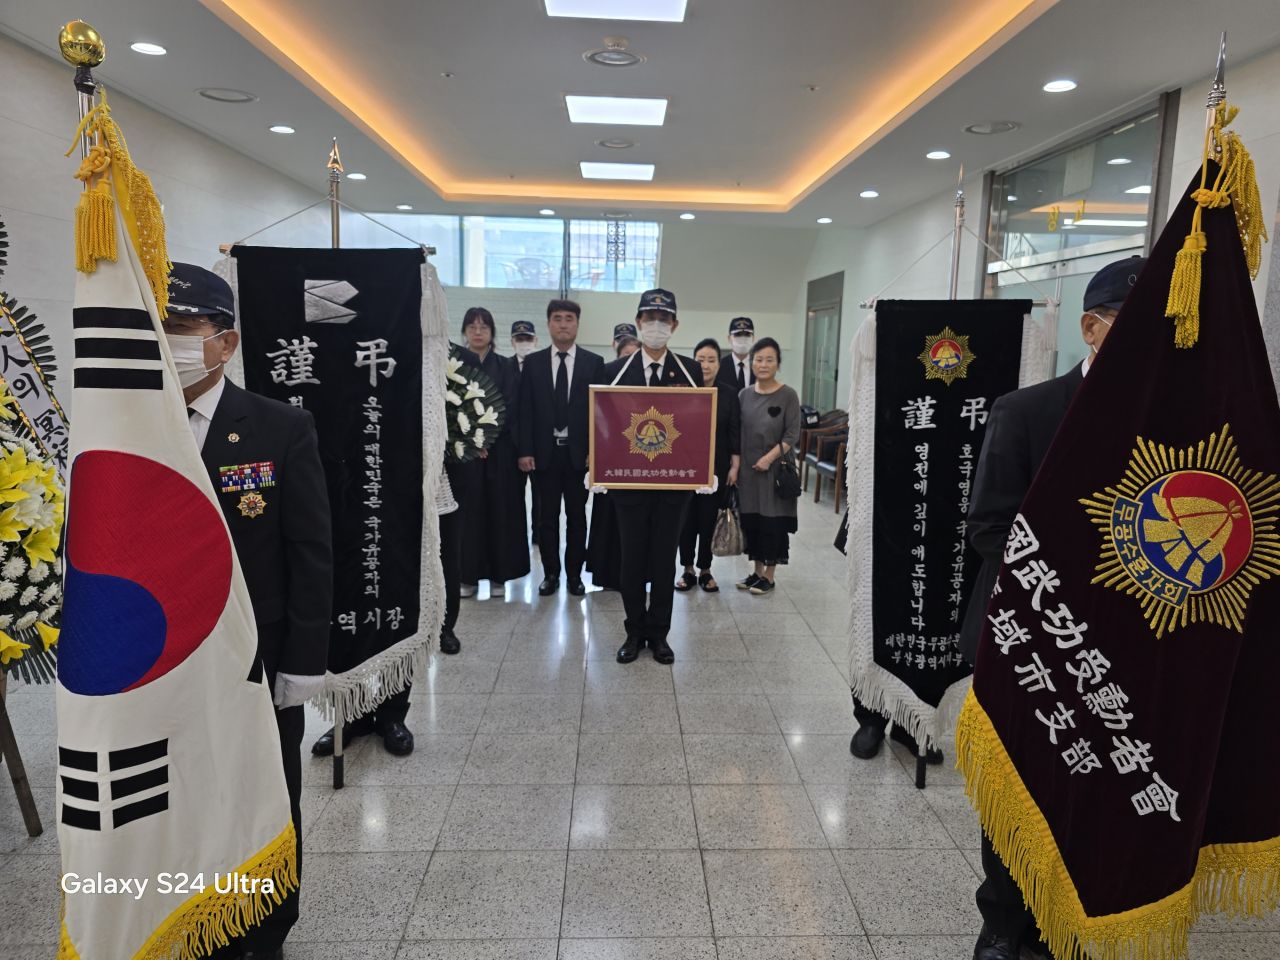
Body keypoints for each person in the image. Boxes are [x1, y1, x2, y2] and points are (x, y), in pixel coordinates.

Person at [961, 256, 1144, 960]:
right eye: (1134, 326)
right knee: (1019, 783)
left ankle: (1067, 915)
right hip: (1030, 638)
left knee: (1094, 784)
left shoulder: (1169, 424)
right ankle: (1004, 920)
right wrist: (1078, 585)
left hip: (1123, 647)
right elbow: (987, 527)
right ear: (1091, 328)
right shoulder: (1028, 412)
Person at [168, 262, 332, 960]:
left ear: (226, 342)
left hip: (254, 657)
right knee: (181, 792)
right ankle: (188, 914)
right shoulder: (130, 426)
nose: (168, 343)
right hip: (161, 658)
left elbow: (310, 552)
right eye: (157, 327)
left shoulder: (278, 427)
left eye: (182, 328)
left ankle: (266, 929)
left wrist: (303, 663)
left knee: (264, 792)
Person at [596, 290, 703, 664]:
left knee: (662, 560)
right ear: (638, 322)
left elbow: (697, 424)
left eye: (664, 319)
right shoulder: (613, 371)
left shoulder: (689, 371)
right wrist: (597, 464)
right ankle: (633, 631)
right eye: (649, 318)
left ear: (675, 325)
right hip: (629, 485)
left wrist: (704, 468)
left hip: (673, 486)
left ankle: (659, 634)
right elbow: (603, 426)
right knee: (631, 560)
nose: (656, 325)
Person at [517, 299, 605, 596]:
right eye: (557, 318)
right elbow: (525, 409)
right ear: (548, 324)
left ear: (577, 324)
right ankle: (551, 574)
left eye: (569, 318)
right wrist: (525, 450)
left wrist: (596, 452)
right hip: (545, 454)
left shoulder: (594, 363)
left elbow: (600, 413)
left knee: (578, 518)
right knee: (547, 519)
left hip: (579, 455)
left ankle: (575, 576)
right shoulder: (533, 363)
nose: (563, 324)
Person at [457, 307, 530, 598]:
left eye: (484, 327)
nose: (478, 332)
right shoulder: (454, 363)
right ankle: (468, 577)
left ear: (492, 332)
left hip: (500, 452)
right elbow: (452, 405)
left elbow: (511, 406)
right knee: (469, 514)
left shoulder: (507, 366)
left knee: (501, 512)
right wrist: (472, 441)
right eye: (472, 327)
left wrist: (486, 438)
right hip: (466, 453)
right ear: (465, 331)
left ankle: (501, 576)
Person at [675, 338, 741, 593]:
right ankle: (687, 569)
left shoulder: (729, 393)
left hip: (716, 466)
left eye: (711, 360)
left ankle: (705, 570)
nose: (705, 365)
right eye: (700, 359)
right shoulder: (683, 390)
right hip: (684, 466)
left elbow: (734, 430)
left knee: (708, 519)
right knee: (685, 520)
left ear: (719, 365)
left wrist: (735, 465)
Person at [736, 337, 800, 596]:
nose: (763, 365)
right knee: (753, 521)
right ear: (752, 363)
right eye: (759, 359)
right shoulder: (744, 395)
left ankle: (769, 576)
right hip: (748, 471)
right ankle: (757, 571)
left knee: (773, 523)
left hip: (775, 470)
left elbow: (792, 434)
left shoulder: (788, 395)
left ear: (778, 364)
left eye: (769, 360)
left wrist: (768, 458)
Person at [585, 324, 641, 591]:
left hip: (641, 463)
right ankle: (606, 574)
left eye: (635, 356)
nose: (629, 361)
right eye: (625, 355)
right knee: (609, 519)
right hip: (612, 460)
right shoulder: (607, 376)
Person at [511, 319, 540, 546]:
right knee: (513, 497)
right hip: (512, 445)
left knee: (541, 497)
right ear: (512, 342)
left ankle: (538, 535)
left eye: (527, 338)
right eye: (519, 339)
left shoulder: (542, 366)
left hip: (539, 444)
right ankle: (517, 540)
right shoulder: (504, 366)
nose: (524, 342)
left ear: (535, 340)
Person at [717, 316, 756, 392]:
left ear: (753, 338)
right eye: (738, 334)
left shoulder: (759, 365)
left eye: (747, 334)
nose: (743, 338)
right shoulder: (720, 366)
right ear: (729, 338)